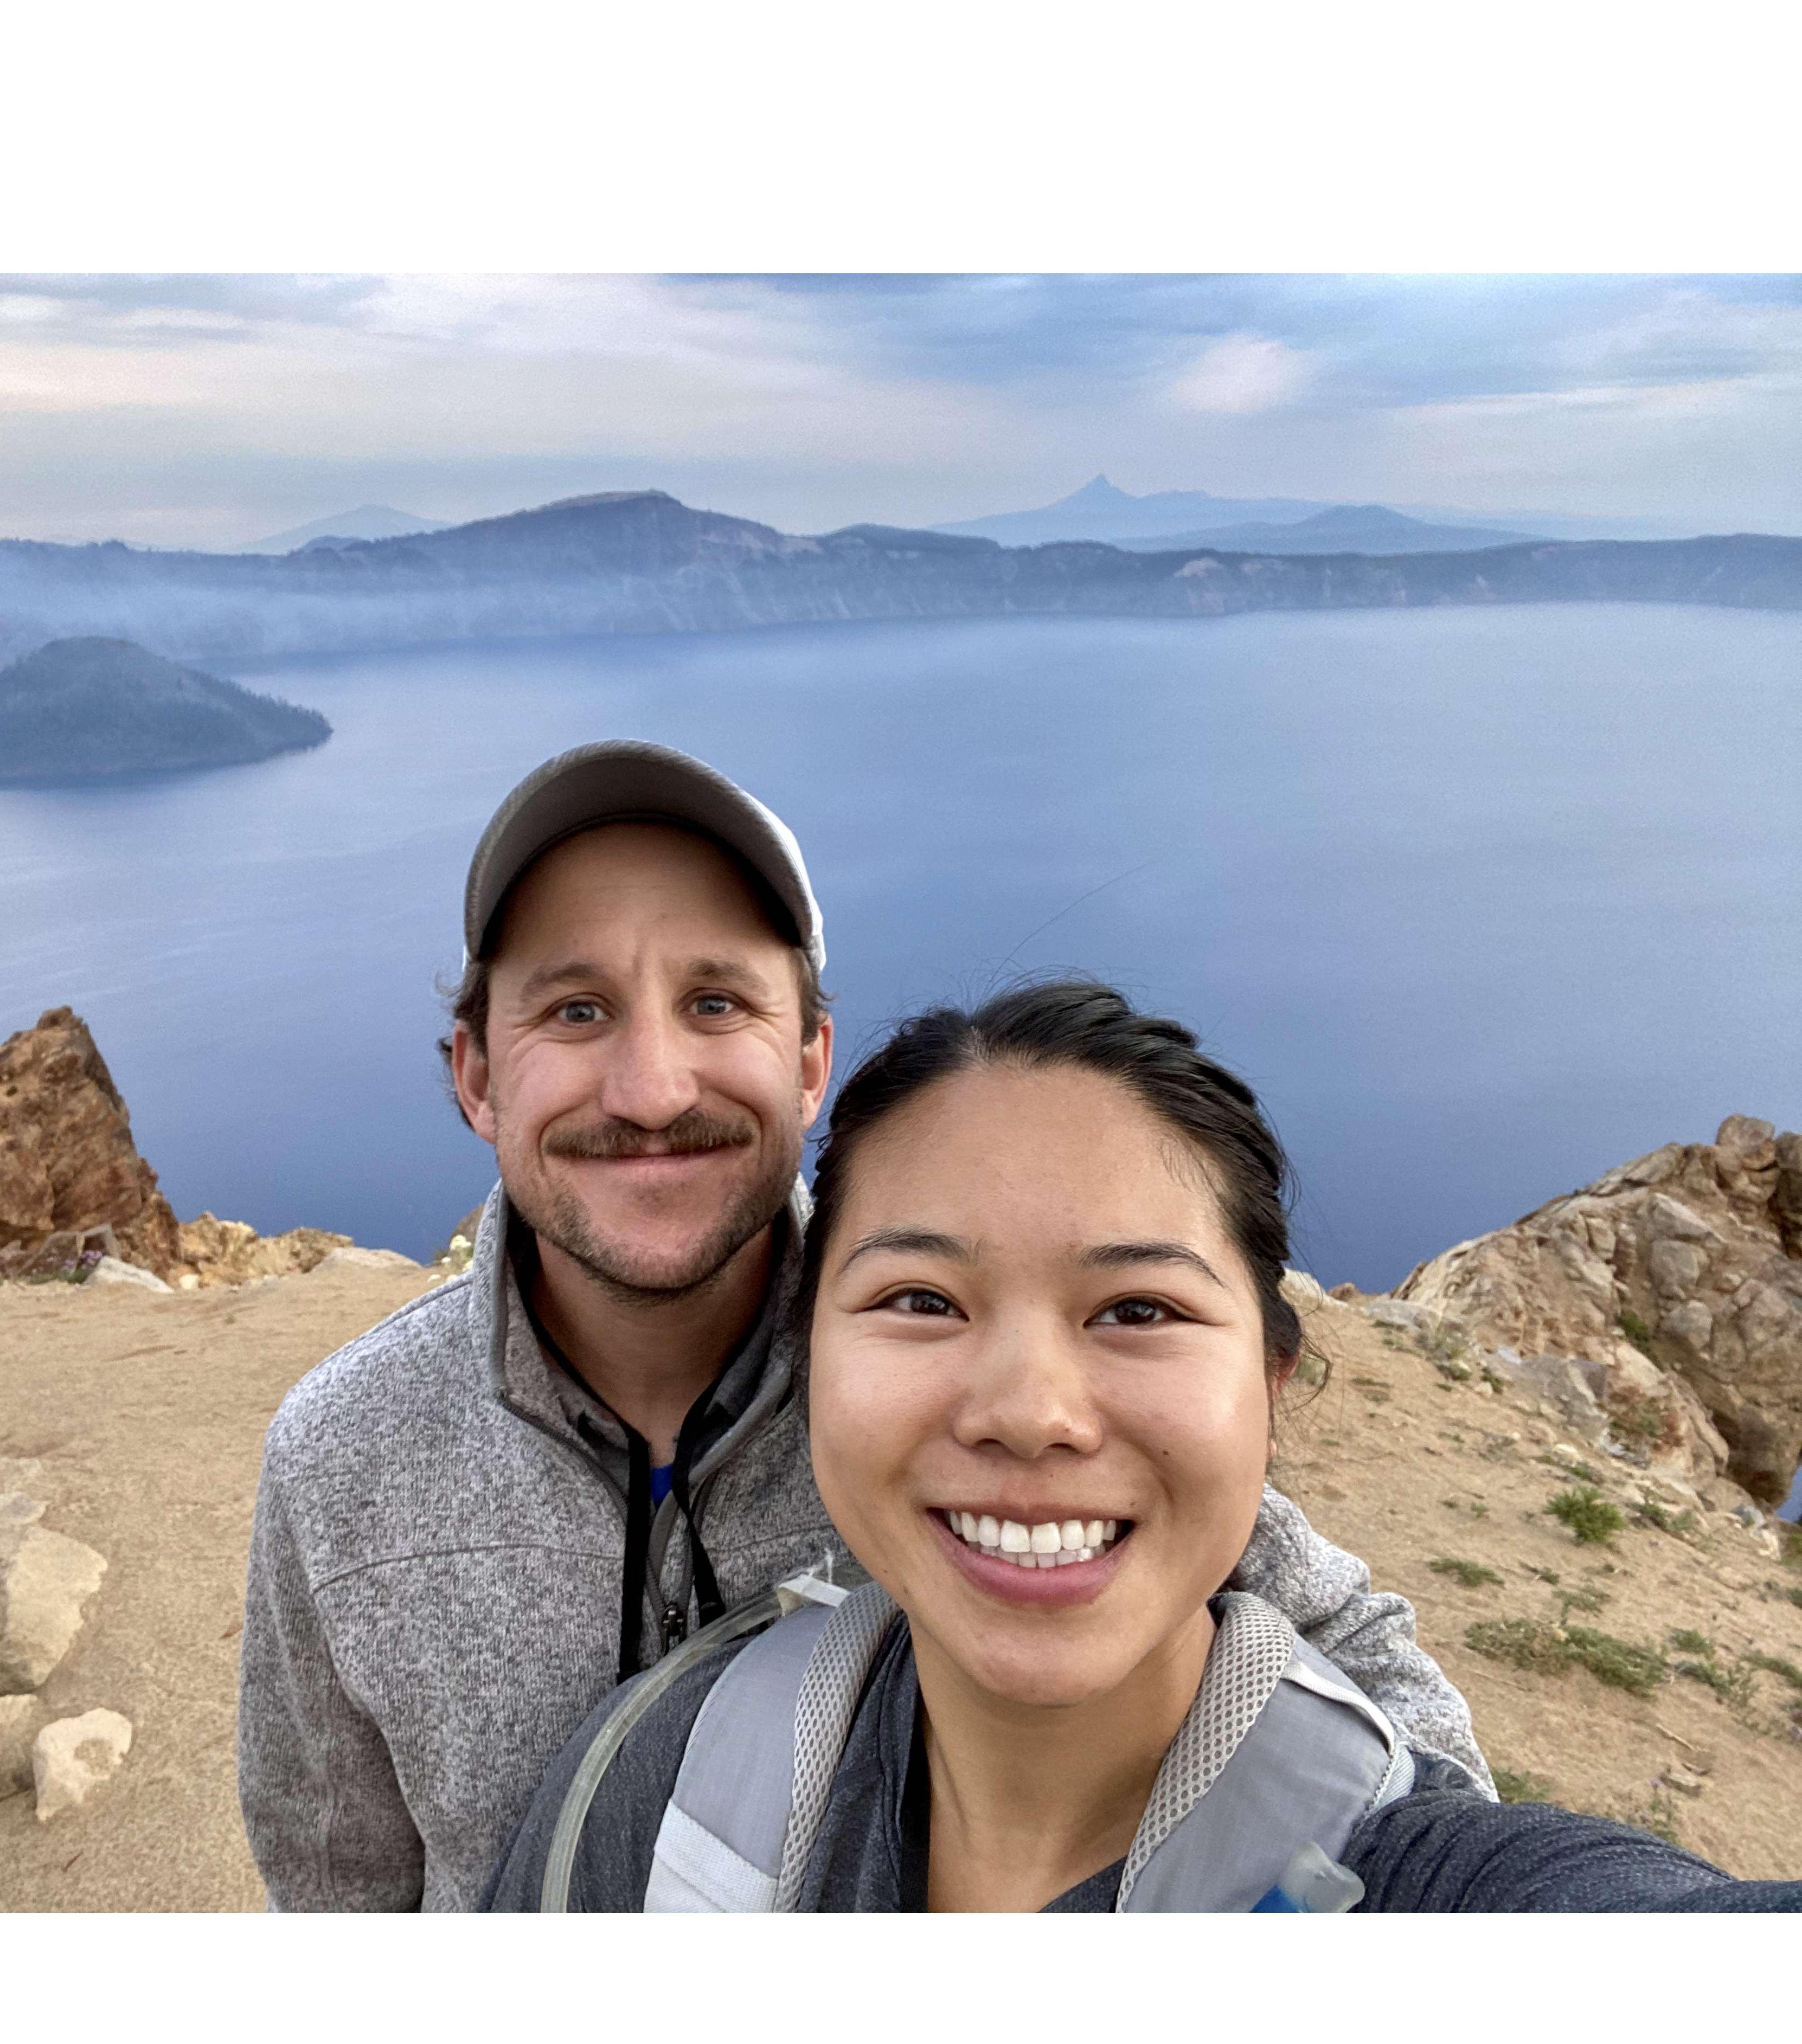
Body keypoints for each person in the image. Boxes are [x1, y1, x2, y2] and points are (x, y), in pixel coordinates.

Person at [239, 744, 1490, 1912]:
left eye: (719, 1001)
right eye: (575, 1010)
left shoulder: (923, 1380)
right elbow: (344, 1895)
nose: (653, 1089)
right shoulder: (345, 1455)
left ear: (809, 1061)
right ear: (474, 1075)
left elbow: (1293, 1620)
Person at [486, 980, 1802, 1911]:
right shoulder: (645, 1777)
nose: (1029, 1409)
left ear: (1270, 1388)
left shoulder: (1408, 1882)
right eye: (922, 1302)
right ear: (810, 1358)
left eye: (1139, 1310)